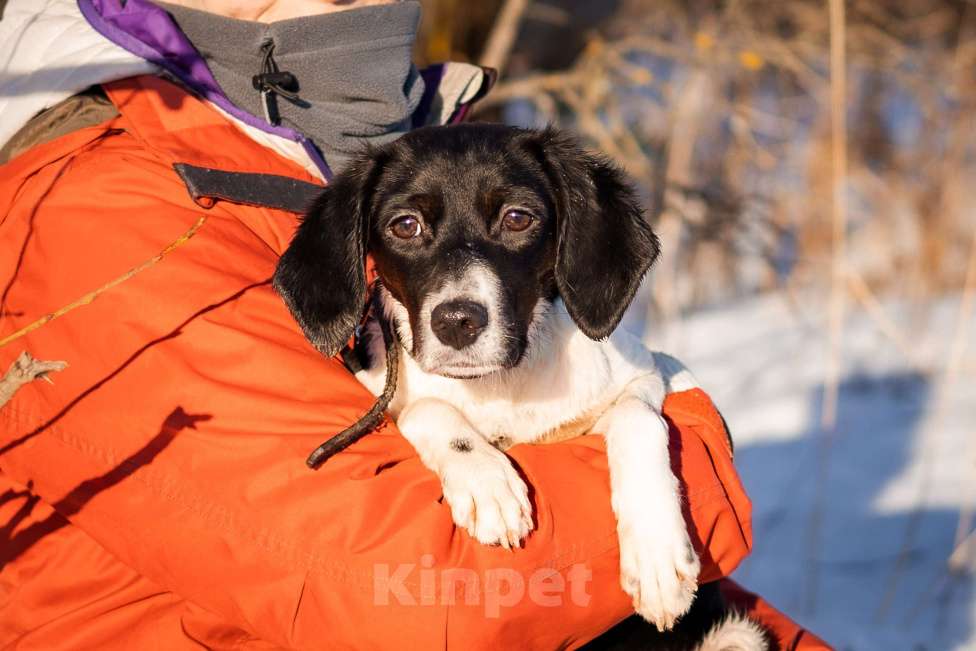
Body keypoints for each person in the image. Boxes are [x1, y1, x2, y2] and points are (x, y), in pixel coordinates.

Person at [0, 0, 828, 648]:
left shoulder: (363, 143)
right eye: (407, 231)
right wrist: (692, 453)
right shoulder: (96, 212)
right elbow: (426, 596)